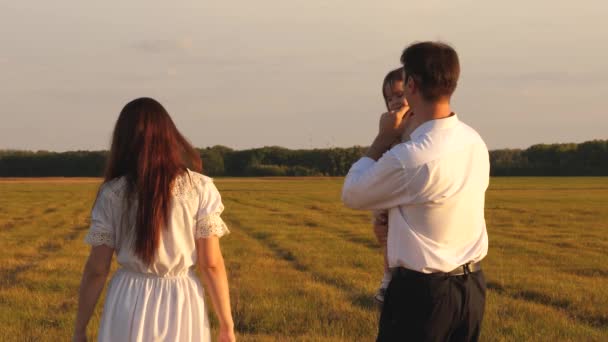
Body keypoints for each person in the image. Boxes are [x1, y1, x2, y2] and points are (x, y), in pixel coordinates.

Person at [342, 42, 489, 342]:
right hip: (471, 289)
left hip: (423, 295)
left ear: (411, 85)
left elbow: (353, 193)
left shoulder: (412, 157)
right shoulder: (474, 141)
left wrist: (382, 139)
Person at [72, 98, 235, 342]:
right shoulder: (200, 188)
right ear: (169, 135)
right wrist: (227, 326)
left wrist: (80, 329)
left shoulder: (113, 193)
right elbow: (211, 264)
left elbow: (97, 269)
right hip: (181, 300)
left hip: (127, 298)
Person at [373, 68, 408, 304]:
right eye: (389, 98)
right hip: (388, 192)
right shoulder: (389, 125)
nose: (394, 101)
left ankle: (391, 280)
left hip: (403, 192)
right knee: (384, 234)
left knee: (394, 237)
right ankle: (387, 278)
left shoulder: (417, 130)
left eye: (399, 94)